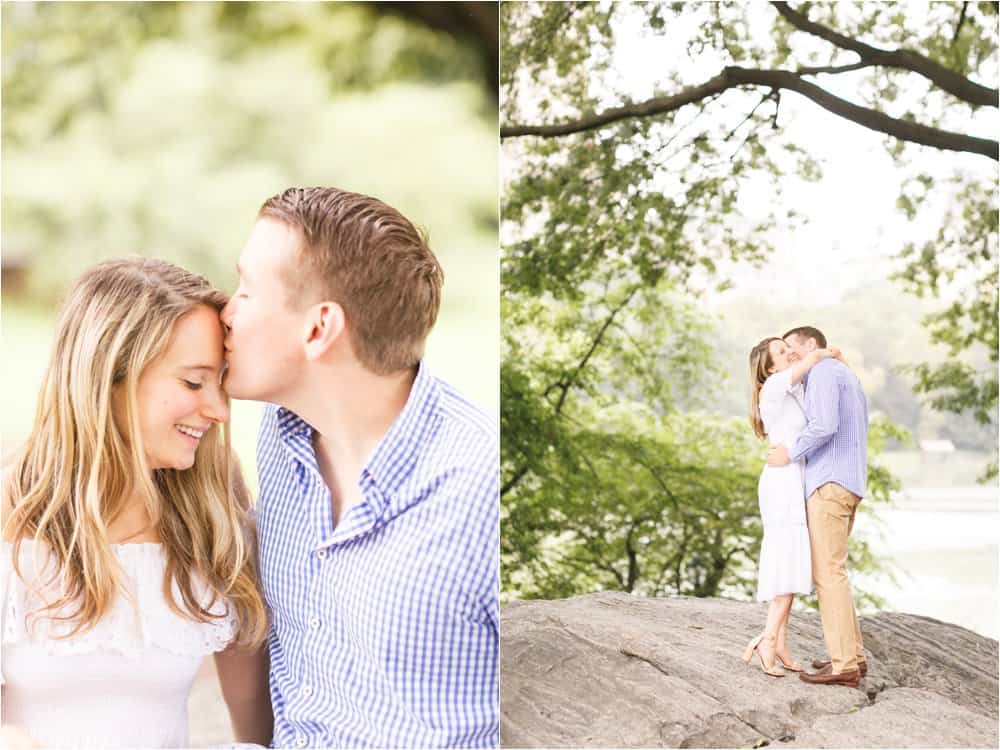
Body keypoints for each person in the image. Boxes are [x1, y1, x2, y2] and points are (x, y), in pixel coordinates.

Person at [221, 187, 499, 748]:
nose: (225, 313)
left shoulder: (478, 490)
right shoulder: (281, 435)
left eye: (247, 292)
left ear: (319, 328)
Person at [1, 258, 271, 749]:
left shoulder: (211, 496)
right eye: (193, 382)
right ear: (108, 379)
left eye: (220, 381)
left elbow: (255, 721)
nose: (218, 409)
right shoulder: (9, 507)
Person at [767, 325, 869, 688]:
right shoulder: (845, 374)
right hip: (849, 482)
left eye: (793, 349)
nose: (792, 356)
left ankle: (844, 665)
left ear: (812, 344)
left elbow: (824, 424)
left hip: (829, 484)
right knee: (834, 571)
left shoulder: (825, 371)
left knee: (827, 575)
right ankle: (852, 656)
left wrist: (790, 453)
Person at [744, 337, 840, 677]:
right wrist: (823, 353)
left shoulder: (789, 390)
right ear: (770, 367)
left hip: (790, 478)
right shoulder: (774, 385)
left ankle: (779, 642)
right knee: (788, 558)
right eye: (782, 352)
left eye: (789, 348)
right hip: (782, 482)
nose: (790, 353)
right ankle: (767, 641)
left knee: (792, 557)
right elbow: (806, 363)